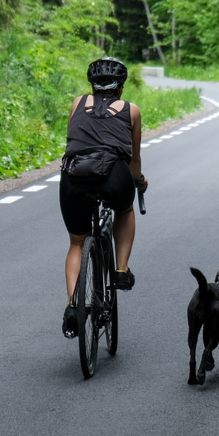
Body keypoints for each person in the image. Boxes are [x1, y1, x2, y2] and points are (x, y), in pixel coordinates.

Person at [60, 57, 148, 338]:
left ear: (92, 87)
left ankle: (73, 304)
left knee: (76, 242)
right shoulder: (131, 110)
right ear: (120, 88)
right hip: (113, 175)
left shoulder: (77, 103)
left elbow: (74, 144)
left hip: (74, 177)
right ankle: (121, 270)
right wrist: (139, 183)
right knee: (124, 210)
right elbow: (134, 159)